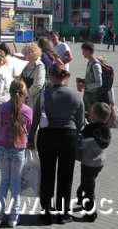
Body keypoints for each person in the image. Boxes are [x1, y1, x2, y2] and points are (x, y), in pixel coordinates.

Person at [28, 63, 84, 225]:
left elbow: (36, 119)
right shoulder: (75, 95)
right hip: (69, 137)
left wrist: (31, 138)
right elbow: (80, 122)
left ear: (52, 77)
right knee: (66, 176)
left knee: (47, 174)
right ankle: (63, 213)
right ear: (64, 77)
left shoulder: (44, 95)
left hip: (48, 136)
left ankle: (46, 212)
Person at [0, 78, 33, 228]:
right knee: (15, 183)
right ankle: (13, 217)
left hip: (3, 146)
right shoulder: (27, 111)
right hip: (18, 148)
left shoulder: (2, 108)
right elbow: (28, 130)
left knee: (4, 181)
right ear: (23, 93)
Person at [76, 102, 112, 223]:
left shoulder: (89, 129)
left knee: (89, 188)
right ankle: (80, 196)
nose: (89, 114)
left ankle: (91, 214)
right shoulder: (106, 129)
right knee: (88, 182)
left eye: (91, 113)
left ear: (95, 116)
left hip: (88, 163)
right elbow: (106, 142)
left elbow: (81, 144)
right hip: (100, 163)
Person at [76, 42, 104, 117]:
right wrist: (83, 80)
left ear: (88, 51)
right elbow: (92, 78)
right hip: (88, 93)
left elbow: (99, 83)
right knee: (87, 115)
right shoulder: (90, 62)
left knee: (92, 116)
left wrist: (84, 86)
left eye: (83, 51)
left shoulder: (96, 65)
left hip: (93, 95)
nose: (82, 53)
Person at [19, 43, 45, 108]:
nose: (24, 55)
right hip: (25, 99)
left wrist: (25, 94)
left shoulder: (39, 66)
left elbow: (38, 85)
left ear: (32, 53)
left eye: (25, 53)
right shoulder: (28, 64)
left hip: (33, 101)